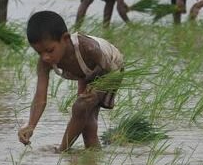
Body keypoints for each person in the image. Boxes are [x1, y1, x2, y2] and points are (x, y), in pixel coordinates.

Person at [18, 11, 124, 152]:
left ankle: (62, 150)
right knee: (87, 126)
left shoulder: (88, 48)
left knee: (81, 106)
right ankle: (92, 161)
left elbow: (109, 70)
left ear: (66, 39)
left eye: (50, 50)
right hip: (85, 75)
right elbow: (40, 97)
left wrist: (97, 89)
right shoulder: (44, 63)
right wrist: (30, 125)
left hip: (110, 69)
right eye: (40, 53)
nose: (45, 57)